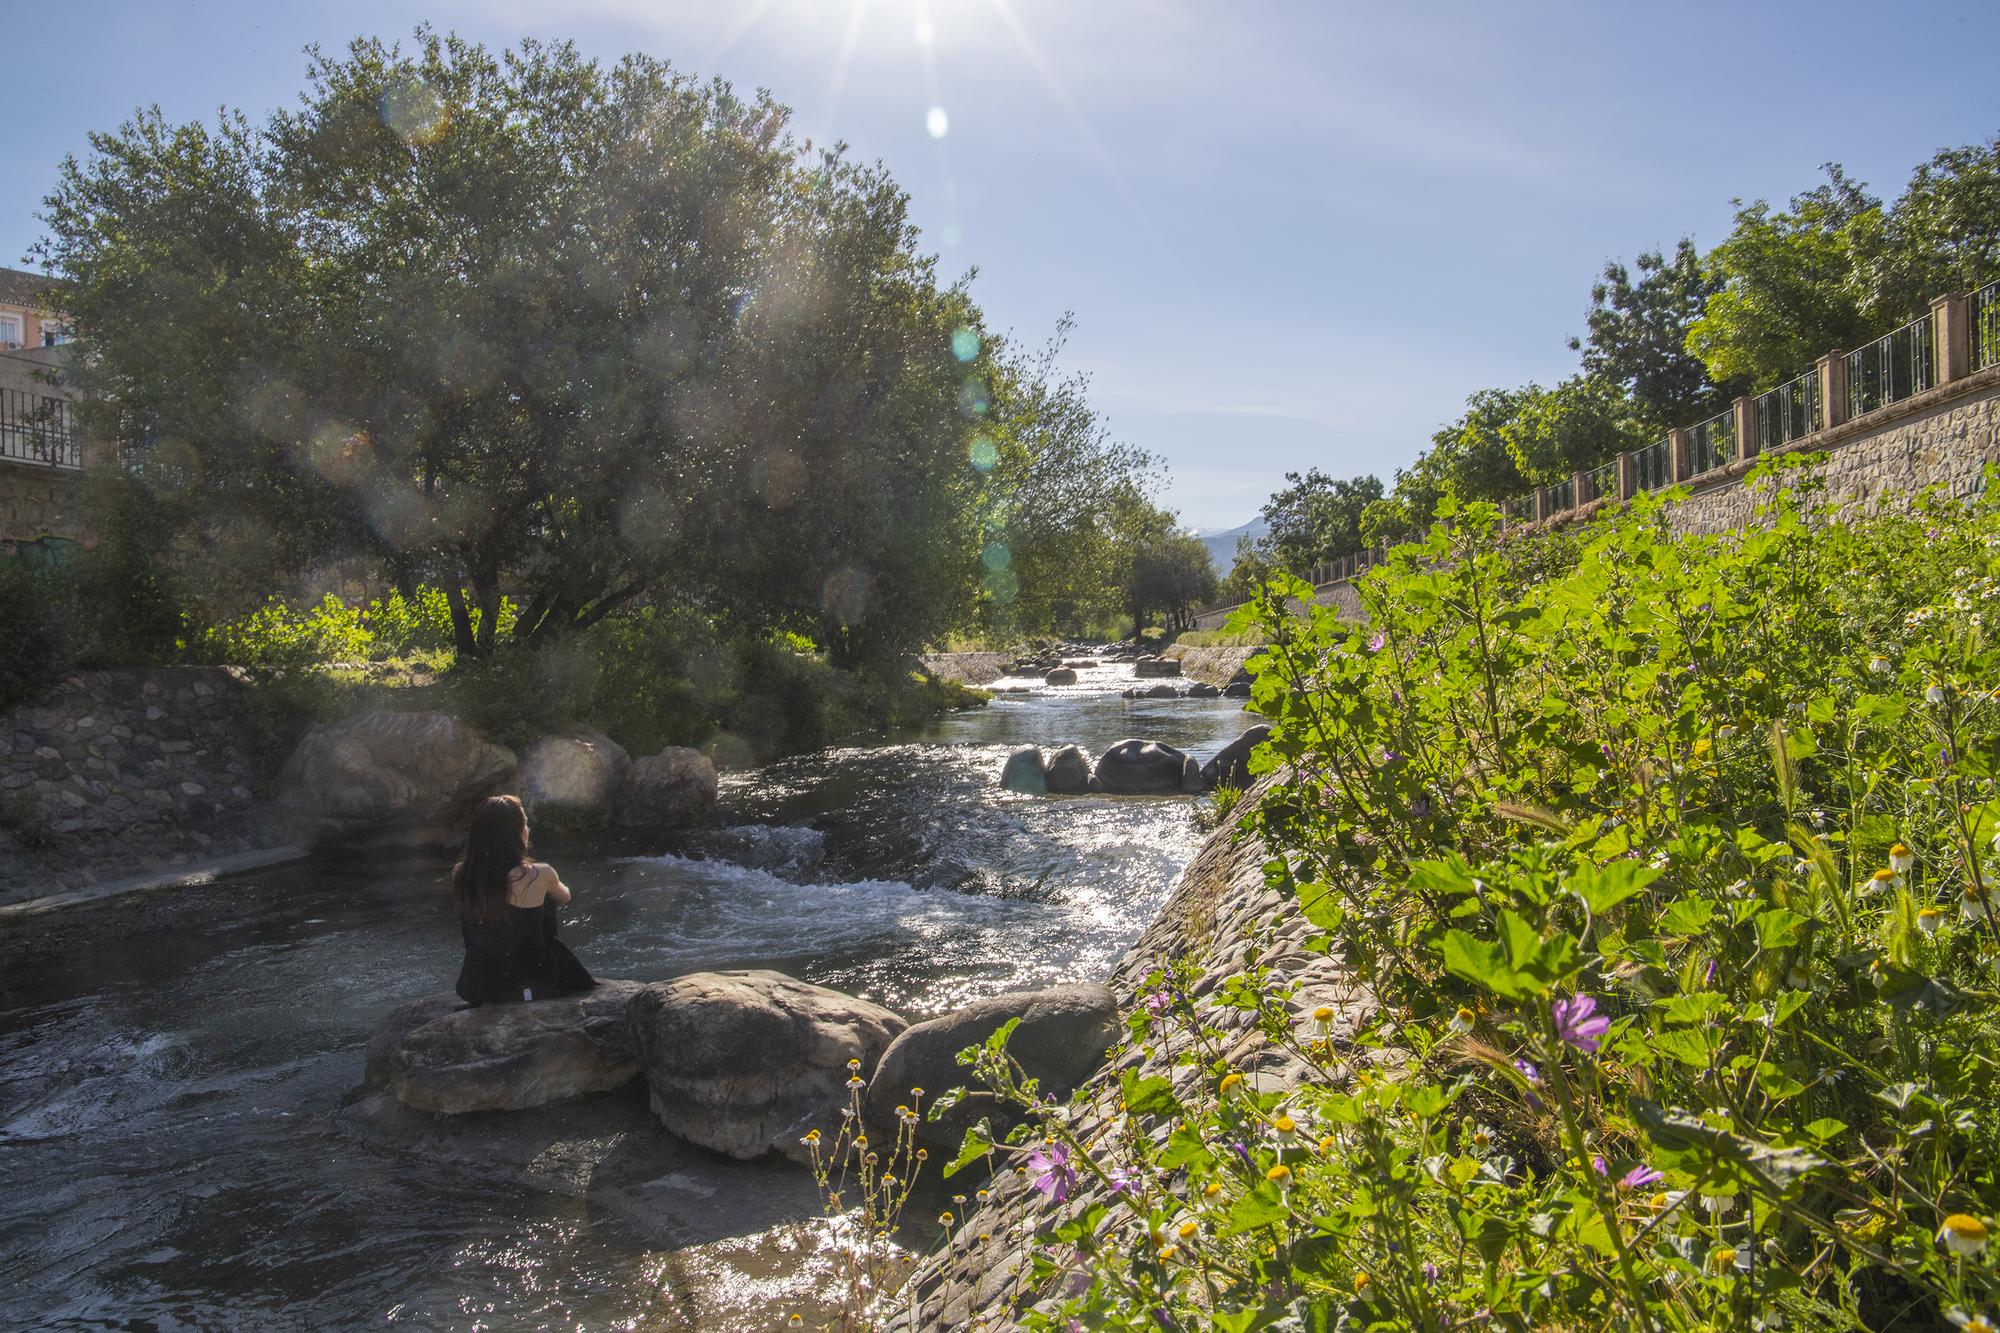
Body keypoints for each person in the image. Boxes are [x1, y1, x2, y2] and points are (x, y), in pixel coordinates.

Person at [450, 794, 596, 1006]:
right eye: (525, 824)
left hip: (478, 986)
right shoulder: (539, 873)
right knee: (546, 902)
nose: (528, 830)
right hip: (531, 986)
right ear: (513, 833)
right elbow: (564, 897)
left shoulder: (461, 873)